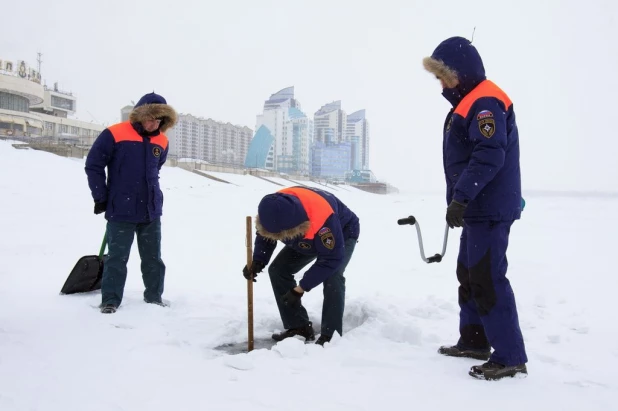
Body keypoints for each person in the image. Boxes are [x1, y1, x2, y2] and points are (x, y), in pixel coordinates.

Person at [422, 37, 528, 380]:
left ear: (459, 72)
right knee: (469, 275)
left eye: (442, 75)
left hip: (489, 208)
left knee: (487, 278)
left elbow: (489, 154)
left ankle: (510, 356)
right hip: (477, 208)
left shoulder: (484, 101)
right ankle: (475, 341)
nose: (440, 83)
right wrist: (461, 201)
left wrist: (462, 196)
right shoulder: (467, 102)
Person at [85, 92, 177, 314]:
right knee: (117, 258)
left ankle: (154, 297)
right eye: (150, 118)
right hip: (121, 210)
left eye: (158, 120)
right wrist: (101, 197)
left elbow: (156, 168)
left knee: (153, 259)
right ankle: (110, 300)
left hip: (151, 211)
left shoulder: (162, 141)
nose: (153, 123)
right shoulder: (114, 133)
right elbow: (93, 165)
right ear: (139, 116)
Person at [243, 186, 360, 346]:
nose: (279, 238)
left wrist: (300, 289)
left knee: (332, 276)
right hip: (305, 238)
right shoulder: (273, 208)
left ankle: (331, 335)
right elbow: (265, 235)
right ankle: (298, 327)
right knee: (278, 270)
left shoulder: (323, 221)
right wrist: (259, 260)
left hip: (342, 231)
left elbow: (331, 259)